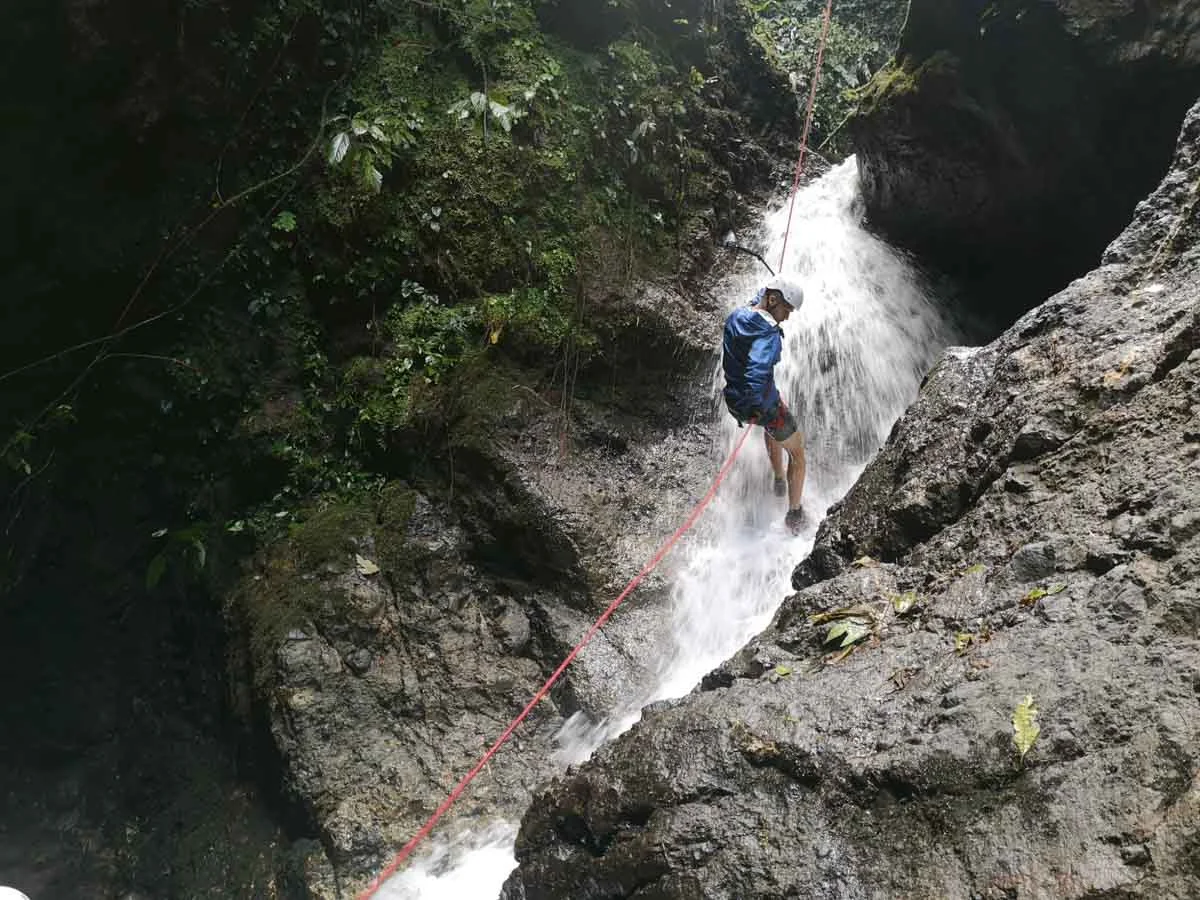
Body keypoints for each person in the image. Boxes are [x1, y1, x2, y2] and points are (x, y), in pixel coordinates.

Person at [721, 275, 807, 533]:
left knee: (775, 414)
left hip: (734, 400)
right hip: (757, 405)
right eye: (786, 310)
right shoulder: (769, 335)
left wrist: (769, 293)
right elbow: (757, 372)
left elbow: (757, 304)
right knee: (799, 454)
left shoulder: (737, 316)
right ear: (773, 300)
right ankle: (795, 515)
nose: (787, 317)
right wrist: (757, 408)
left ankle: (779, 479)